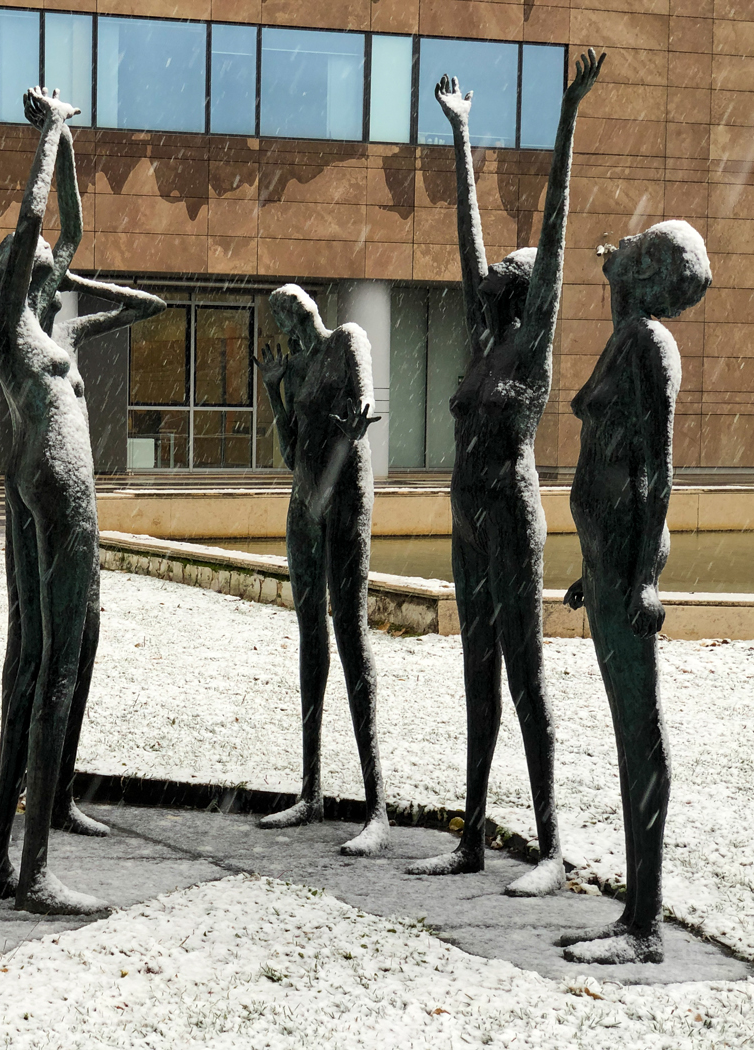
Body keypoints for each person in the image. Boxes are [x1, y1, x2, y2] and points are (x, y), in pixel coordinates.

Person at [407, 50, 604, 896]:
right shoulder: (486, 344)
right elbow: (469, 238)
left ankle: (552, 846)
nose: (486, 276)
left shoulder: (532, 344)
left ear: (525, 290)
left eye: (501, 274)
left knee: (525, 678)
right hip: (467, 518)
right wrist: (460, 134)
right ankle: (475, 836)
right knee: (476, 675)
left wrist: (568, 117)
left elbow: (554, 233)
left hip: (513, 516)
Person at [0, 86, 163, 913]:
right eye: (40, 270)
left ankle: (2, 859)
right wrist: (49, 135)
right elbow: (33, 224)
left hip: (45, 484)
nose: (52, 270)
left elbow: (79, 238)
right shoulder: (10, 327)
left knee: (47, 655)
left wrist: (71, 148)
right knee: (50, 666)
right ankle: (35, 871)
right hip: (59, 488)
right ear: (18, 277)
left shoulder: (51, 332)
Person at [559, 220, 711, 964]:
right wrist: (591, 567)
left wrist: (643, 574)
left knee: (639, 731)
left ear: (652, 273)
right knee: (628, 731)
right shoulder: (629, 337)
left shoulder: (650, 345)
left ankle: (643, 925)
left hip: (627, 561)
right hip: (608, 559)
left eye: (640, 251)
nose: (623, 252)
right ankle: (634, 914)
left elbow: (658, 464)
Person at [253, 285, 388, 855]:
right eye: (282, 319)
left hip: (346, 497)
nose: (291, 326)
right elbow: (291, 452)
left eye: (293, 312)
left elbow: (362, 412)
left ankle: (376, 808)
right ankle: (310, 792)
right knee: (311, 636)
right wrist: (274, 391)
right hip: (304, 504)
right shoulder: (298, 366)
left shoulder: (348, 341)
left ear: (308, 309)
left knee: (350, 632)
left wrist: (358, 423)